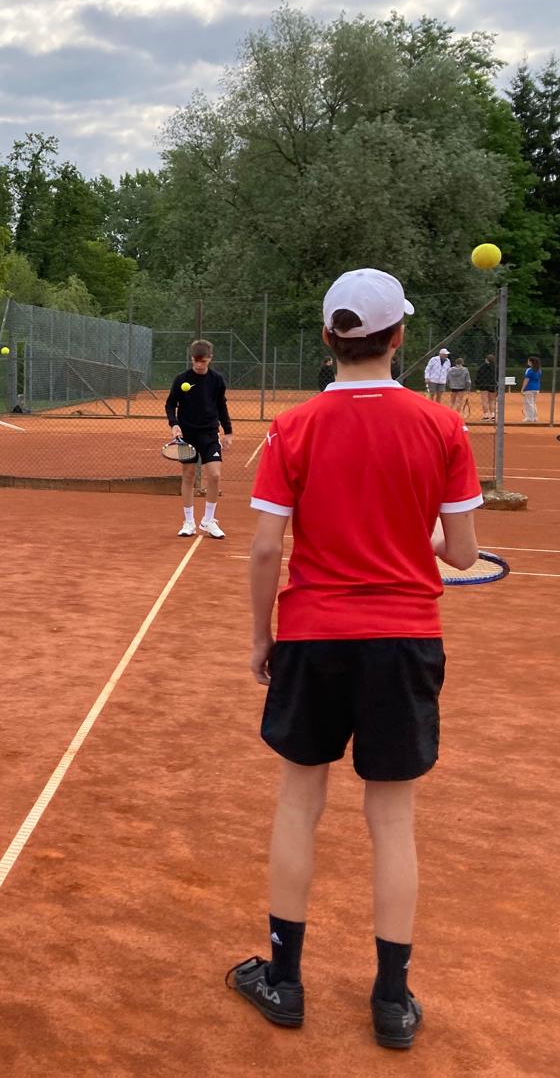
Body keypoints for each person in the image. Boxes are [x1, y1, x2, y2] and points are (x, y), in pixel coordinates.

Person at [228, 268, 482, 1051]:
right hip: (405, 637)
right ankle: (391, 1000)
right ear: (399, 337)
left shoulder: (293, 427)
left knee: (298, 802)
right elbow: (462, 553)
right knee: (392, 818)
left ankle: (284, 980)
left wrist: (262, 638)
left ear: (328, 338)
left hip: (313, 634)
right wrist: (419, 535)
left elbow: (265, 549)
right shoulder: (441, 427)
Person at [165, 340, 232, 539]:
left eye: (203, 361)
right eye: (195, 360)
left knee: (215, 475)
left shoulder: (217, 380)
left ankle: (208, 521)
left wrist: (228, 431)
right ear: (191, 358)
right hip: (187, 434)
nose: (199, 364)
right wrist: (174, 424)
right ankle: (189, 522)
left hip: (210, 433)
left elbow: (221, 406)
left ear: (210, 359)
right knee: (188, 475)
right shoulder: (181, 379)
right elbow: (170, 405)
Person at [474, 354, 498, 421]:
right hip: (493, 385)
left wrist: (477, 386)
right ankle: (493, 415)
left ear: (486, 359)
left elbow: (478, 377)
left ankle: (486, 416)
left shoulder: (482, 367)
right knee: (492, 400)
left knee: (485, 401)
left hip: (483, 385)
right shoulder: (495, 367)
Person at [523, 355, 542, 423]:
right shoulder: (539, 370)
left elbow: (526, 380)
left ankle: (530, 418)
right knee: (533, 403)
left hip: (529, 388)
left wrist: (522, 388)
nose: (527, 362)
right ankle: (535, 417)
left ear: (531, 362)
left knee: (529, 403)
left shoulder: (529, 370)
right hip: (536, 388)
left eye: (528, 361)